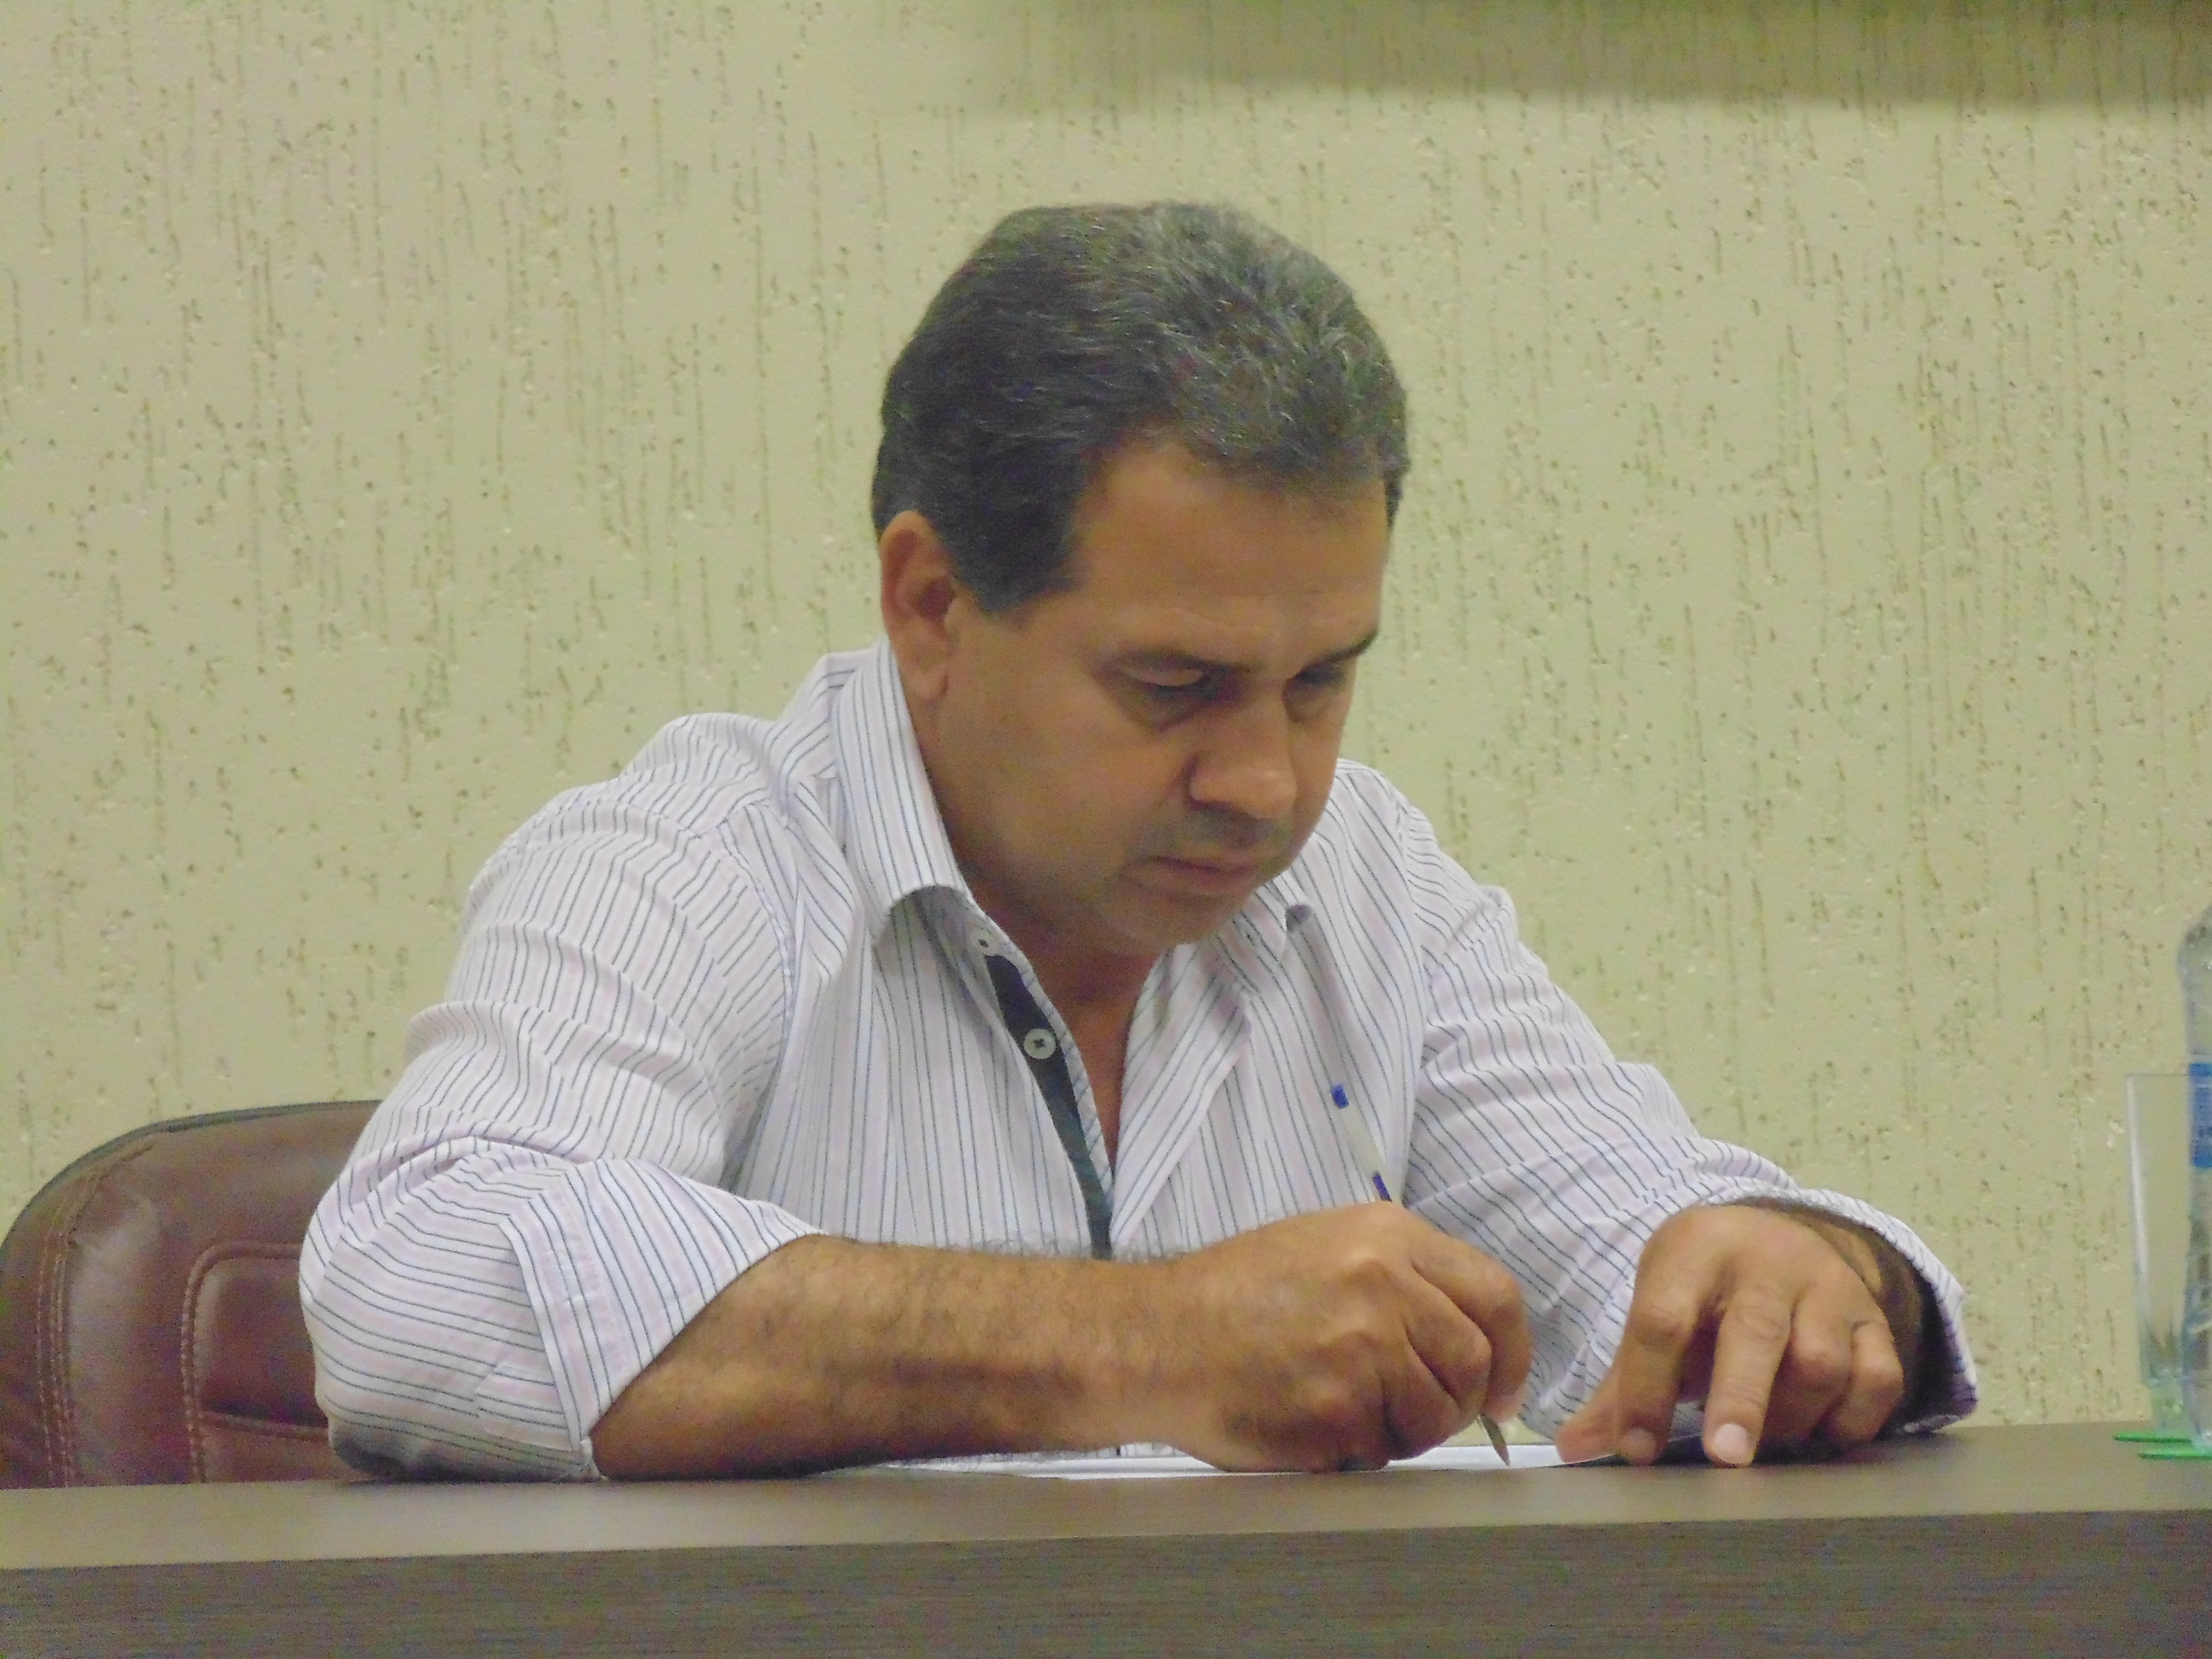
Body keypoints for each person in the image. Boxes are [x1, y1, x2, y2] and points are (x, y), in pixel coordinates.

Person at [302, 202, 1975, 1481]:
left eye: (1320, 684)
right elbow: (412, 1277)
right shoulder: (689, 856)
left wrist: (1810, 1279)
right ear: (933, 605)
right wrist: (1148, 1344)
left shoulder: (1364, 877)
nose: (1266, 783)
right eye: (1176, 687)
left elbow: (1646, 1248)